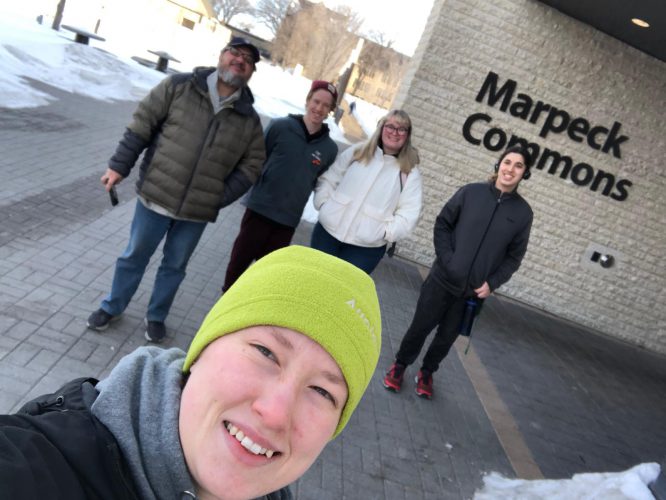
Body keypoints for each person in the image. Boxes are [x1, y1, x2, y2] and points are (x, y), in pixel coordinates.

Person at [0, 245, 381, 499]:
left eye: (323, 392)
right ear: (201, 351)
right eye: (266, 352)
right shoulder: (41, 467)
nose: (277, 412)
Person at [86, 37, 266, 343]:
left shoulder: (249, 120)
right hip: (155, 196)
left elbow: (252, 165)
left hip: (195, 214)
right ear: (221, 55)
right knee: (133, 256)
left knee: (175, 267)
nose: (240, 60)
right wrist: (119, 166)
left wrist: (218, 196)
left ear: (250, 72)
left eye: (248, 60)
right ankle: (112, 306)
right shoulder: (179, 87)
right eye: (234, 52)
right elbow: (142, 125)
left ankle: (156, 316)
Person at [382, 145, 534, 399]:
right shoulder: (471, 193)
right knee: (420, 327)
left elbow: (514, 257)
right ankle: (400, 366)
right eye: (507, 162)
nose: (511, 169)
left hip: (472, 292)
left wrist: (492, 284)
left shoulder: (523, 213)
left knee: (446, 338)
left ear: (524, 173)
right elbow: (443, 224)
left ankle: (428, 372)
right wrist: (448, 260)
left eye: (518, 166)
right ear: (499, 165)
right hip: (442, 280)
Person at [222, 80, 339, 292]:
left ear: (330, 110)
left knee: (266, 274)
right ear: (307, 101)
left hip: (287, 221)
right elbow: (257, 158)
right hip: (259, 209)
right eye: (316, 101)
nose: (319, 108)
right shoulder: (280, 127)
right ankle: (223, 307)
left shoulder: (329, 149)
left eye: (325, 105)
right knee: (237, 265)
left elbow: (320, 181)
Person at [310, 109, 422, 274]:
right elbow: (330, 179)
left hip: (364, 250)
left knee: (343, 294)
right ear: (381, 127)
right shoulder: (358, 152)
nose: (395, 132)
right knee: (312, 280)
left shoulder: (409, 172)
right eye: (390, 126)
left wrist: (385, 233)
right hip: (326, 234)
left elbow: (409, 213)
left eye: (402, 129)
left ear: (407, 135)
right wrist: (324, 204)